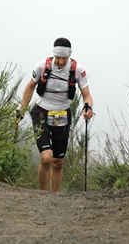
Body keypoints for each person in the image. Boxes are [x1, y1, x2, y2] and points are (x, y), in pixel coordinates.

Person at [18, 37, 94, 192]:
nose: (60, 62)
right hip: (41, 112)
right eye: (58, 58)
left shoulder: (77, 69)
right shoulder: (42, 66)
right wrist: (21, 110)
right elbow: (30, 86)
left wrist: (88, 108)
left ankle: (55, 198)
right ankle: (43, 195)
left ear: (69, 56)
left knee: (58, 162)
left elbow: (87, 95)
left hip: (63, 114)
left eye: (64, 59)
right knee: (46, 158)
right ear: (54, 55)